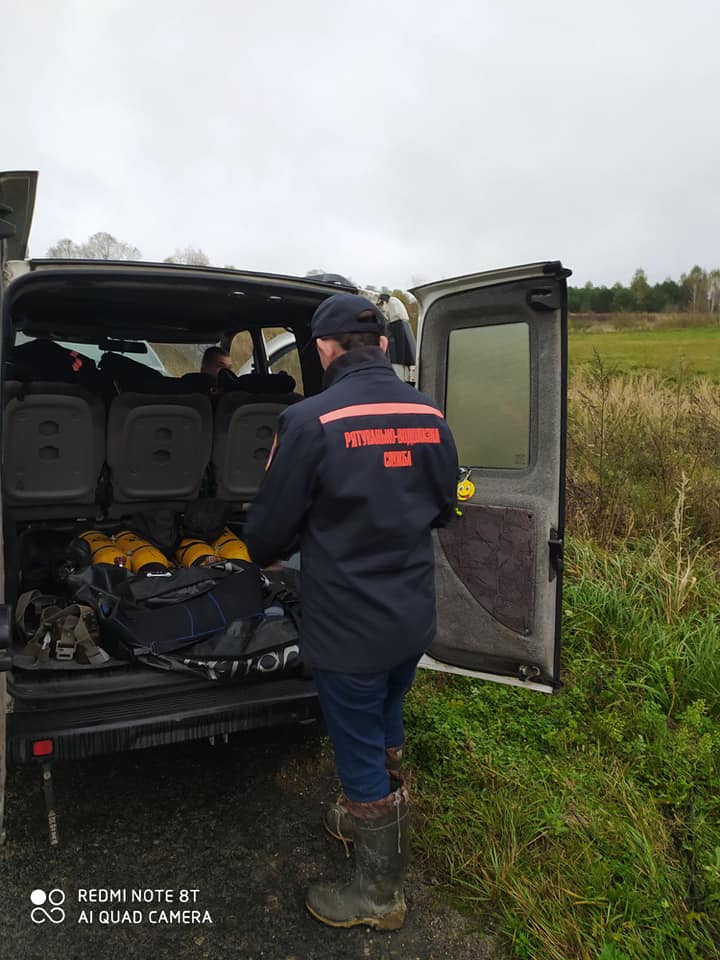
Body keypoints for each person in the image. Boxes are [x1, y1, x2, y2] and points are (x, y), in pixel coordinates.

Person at [244, 293, 459, 931]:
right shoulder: (430, 413)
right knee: (387, 713)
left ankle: (378, 896)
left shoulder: (309, 422)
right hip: (411, 617)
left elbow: (264, 540)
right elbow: (447, 506)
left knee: (357, 742)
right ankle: (377, 809)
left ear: (324, 349)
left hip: (349, 626)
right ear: (385, 346)